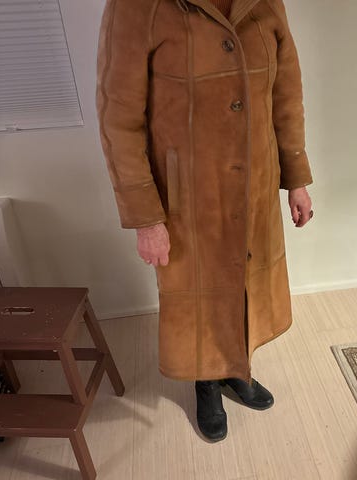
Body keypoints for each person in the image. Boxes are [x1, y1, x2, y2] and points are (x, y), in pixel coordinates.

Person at [96, 0, 313, 442]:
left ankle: (236, 368)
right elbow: (118, 120)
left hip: (255, 184)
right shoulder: (136, 7)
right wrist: (146, 217)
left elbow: (286, 94)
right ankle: (206, 381)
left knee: (246, 282)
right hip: (186, 196)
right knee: (197, 294)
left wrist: (296, 178)